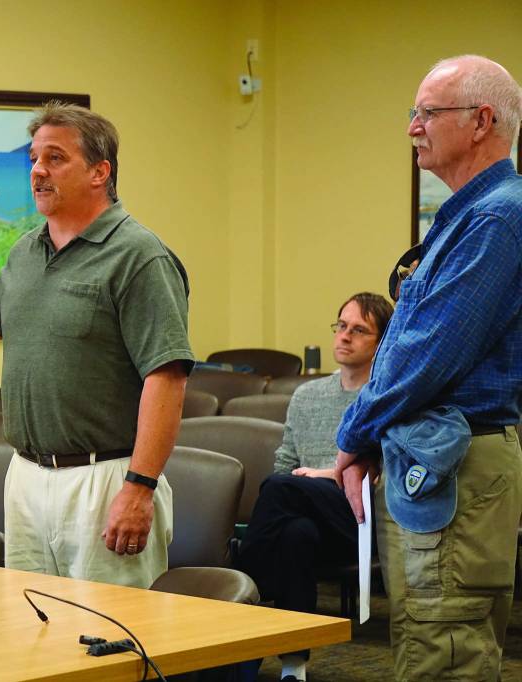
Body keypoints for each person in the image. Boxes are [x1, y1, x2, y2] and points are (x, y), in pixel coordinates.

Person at [0, 101, 193, 588]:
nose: (37, 171)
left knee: (107, 639)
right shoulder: (28, 248)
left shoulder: (139, 255)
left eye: (54, 158)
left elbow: (167, 376)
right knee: (34, 635)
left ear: (99, 171)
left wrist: (140, 486)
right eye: (32, 159)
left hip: (105, 478)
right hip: (27, 476)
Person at [334, 55, 522, 681]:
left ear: (481, 121)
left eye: (427, 113)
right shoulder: (469, 214)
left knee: (445, 654)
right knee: (425, 638)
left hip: (459, 463)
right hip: (434, 460)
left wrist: (353, 433)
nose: (412, 126)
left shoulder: (497, 217)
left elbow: (425, 355)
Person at [237, 292, 393, 682]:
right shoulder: (307, 396)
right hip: (308, 515)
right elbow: (284, 466)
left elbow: (385, 474)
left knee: (279, 490)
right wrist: (308, 480)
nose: (344, 336)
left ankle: (243, 585)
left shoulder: (387, 397)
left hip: (359, 520)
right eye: (341, 326)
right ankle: (294, 666)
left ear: (382, 342)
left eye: (359, 330)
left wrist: (328, 475)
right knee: (294, 534)